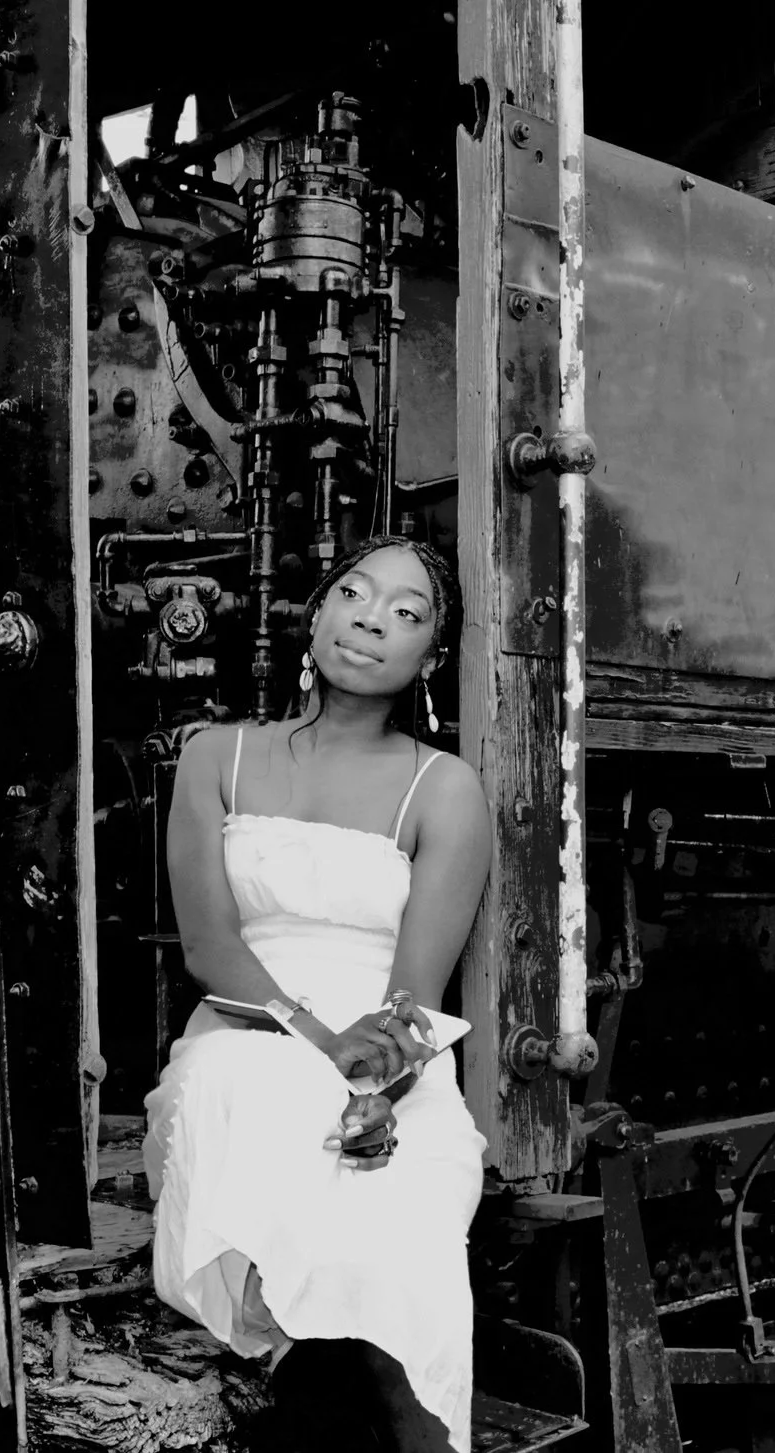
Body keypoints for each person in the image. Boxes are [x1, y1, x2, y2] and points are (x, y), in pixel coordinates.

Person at [143, 535, 492, 1453]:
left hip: (390, 1057)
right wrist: (322, 1042)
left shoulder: (444, 787)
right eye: (353, 592)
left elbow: (416, 991)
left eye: (406, 613)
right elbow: (211, 948)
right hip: (244, 1029)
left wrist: (378, 1082)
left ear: (431, 657)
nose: (372, 617)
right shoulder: (213, 755)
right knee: (246, 1092)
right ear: (317, 611)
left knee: (401, 1232)